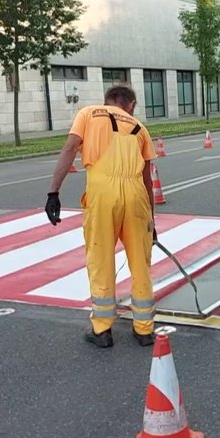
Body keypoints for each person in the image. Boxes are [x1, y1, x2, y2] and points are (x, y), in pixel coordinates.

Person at [45, 85, 157, 348]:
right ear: (128, 103)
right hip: (136, 195)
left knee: (100, 258)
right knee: (140, 262)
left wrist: (54, 191)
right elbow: (147, 179)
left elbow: (71, 147)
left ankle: (102, 329)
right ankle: (144, 330)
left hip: (102, 192)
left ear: (108, 101)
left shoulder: (88, 114)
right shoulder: (140, 127)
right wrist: (151, 221)